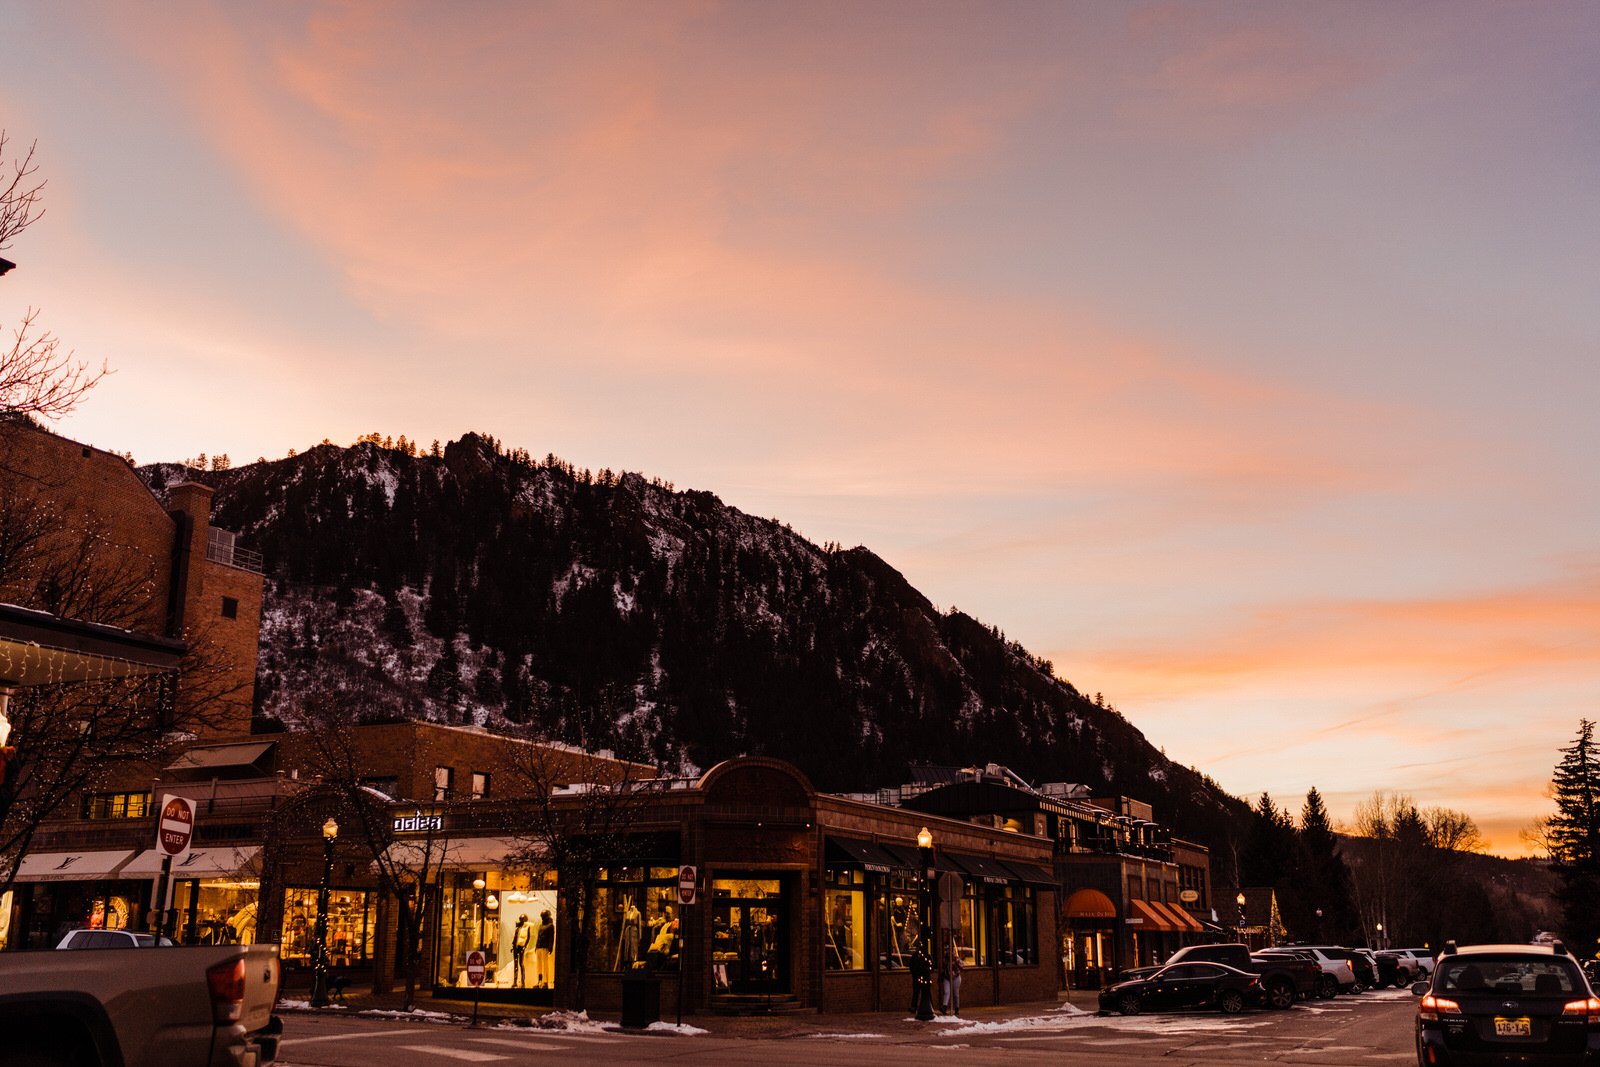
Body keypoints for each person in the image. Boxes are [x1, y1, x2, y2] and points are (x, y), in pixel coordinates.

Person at [940, 939, 963, 1016]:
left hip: (956, 977)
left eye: (948, 950)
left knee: (955, 993)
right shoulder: (944, 959)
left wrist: (956, 963)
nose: (947, 952)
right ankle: (944, 1007)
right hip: (947, 977)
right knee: (947, 992)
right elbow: (943, 968)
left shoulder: (955, 958)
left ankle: (957, 1008)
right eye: (946, 950)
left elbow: (961, 966)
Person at [533, 909, 555, 988]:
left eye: (543, 916)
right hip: (539, 947)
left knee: (545, 965)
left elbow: (551, 937)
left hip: (545, 947)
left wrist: (550, 948)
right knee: (538, 965)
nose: (542, 918)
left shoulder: (550, 926)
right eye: (542, 916)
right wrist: (536, 946)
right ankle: (539, 981)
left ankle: (545, 982)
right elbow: (538, 937)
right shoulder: (540, 926)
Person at [511, 914, 532, 987]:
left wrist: (525, 947)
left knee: (521, 964)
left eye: (523, 920)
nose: (521, 921)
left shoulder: (527, 927)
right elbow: (515, 936)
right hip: (516, 947)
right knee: (515, 964)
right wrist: (513, 945)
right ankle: (515, 981)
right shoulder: (518, 927)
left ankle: (523, 982)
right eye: (520, 919)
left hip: (521, 946)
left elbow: (528, 938)